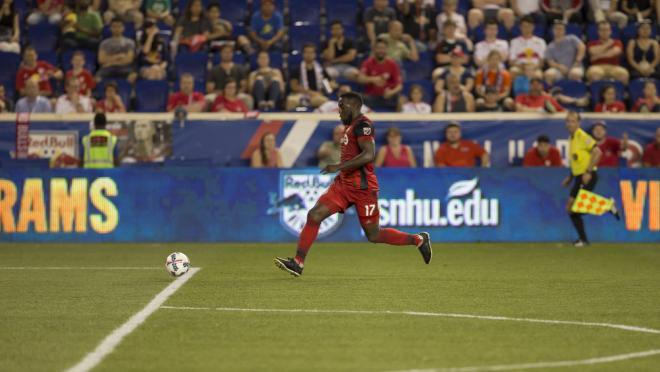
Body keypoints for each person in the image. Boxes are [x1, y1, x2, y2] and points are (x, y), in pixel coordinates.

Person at [273, 92, 432, 277]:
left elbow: (368, 155)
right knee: (314, 215)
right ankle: (298, 262)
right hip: (343, 185)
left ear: (352, 106)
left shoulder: (363, 125)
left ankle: (418, 239)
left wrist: (338, 166)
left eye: (341, 107)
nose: (339, 111)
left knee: (373, 235)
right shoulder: (349, 127)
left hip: (363, 189)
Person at [561, 111, 619, 247]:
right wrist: (570, 177)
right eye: (568, 121)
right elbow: (576, 160)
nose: (570, 124)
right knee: (570, 208)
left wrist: (588, 171)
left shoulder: (582, 136)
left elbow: (598, 152)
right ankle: (583, 240)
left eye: (573, 121)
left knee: (575, 209)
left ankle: (607, 205)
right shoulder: (572, 138)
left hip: (587, 176)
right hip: (578, 176)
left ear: (578, 123)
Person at [358, 39, 403, 111]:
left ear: (387, 50)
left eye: (383, 48)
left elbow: (399, 85)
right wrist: (373, 79)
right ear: (374, 49)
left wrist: (392, 92)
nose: (381, 51)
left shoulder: (392, 64)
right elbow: (360, 78)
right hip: (370, 97)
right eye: (378, 48)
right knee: (356, 99)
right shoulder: (368, 62)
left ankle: (398, 121)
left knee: (401, 100)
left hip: (387, 97)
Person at [286, 44, 334, 111]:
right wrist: (309, 92)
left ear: (314, 54)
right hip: (300, 95)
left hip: (316, 96)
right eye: (307, 52)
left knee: (325, 101)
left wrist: (330, 85)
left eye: (311, 52)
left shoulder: (320, 69)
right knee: (290, 101)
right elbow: (294, 86)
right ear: (303, 54)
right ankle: (290, 121)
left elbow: (328, 84)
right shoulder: (297, 68)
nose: (309, 55)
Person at [206, 44, 253, 110]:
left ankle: (247, 118)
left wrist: (234, 93)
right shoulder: (214, 70)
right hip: (219, 94)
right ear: (221, 54)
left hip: (236, 94)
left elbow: (244, 86)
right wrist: (223, 93)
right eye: (225, 52)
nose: (227, 54)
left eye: (229, 52)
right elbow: (209, 88)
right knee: (208, 99)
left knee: (247, 98)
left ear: (232, 54)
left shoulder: (240, 68)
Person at [544, 20, 586, 85]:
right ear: (553, 30)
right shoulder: (550, 46)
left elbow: (582, 47)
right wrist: (559, 66)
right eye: (556, 28)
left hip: (575, 66)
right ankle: (550, 92)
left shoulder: (572, 38)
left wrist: (577, 61)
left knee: (575, 73)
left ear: (564, 30)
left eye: (560, 29)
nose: (558, 31)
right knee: (549, 74)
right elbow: (550, 61)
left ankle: (576, 92)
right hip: (560, 69)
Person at [97, 18, 137, 83]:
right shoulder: (104, 43)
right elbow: (101, 60)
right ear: (110, 28)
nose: (117, 29)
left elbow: (128, 59)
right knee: (97, 78)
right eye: (114, 26)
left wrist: (110, 62)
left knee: (133, 76)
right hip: (108, 68)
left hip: (124, 67)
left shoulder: (130, 42)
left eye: (119, 26)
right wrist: (119, 56)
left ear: (123, 28)